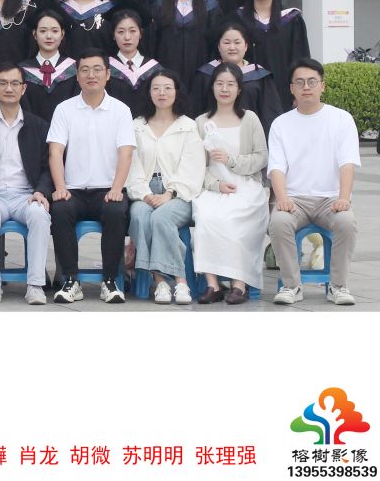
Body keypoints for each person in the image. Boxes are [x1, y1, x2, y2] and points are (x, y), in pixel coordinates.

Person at [266, 60, 360, 306]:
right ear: (291, 88)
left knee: (347, 222)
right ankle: (291, 285)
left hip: (331, 199)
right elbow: (276, 168)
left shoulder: (341, 119)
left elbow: (347, 164)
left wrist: (344, 198)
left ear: (322, 86)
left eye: (312, 82)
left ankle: (338, 286)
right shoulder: (281, 124)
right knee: (278, 222)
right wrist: (282, 199)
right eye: (300, 82)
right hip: (294, 200)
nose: (306, 87)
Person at [46, 51, 135, 303]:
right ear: (77, 75)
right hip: (73, 190)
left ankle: (110, 280)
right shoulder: (64, 109)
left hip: (107, 189)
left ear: (108, 74)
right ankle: (71, 280)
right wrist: (60, 187)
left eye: (97, 69)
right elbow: (55, 151)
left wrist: (116, 188)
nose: (91, 75)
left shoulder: (120, 110)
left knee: (116, 211)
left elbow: (126, 153)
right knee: (60, 209)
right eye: (85, 70)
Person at [0, 63, 55, 304]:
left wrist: (41, 191)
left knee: (39, 215)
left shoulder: (38, 126)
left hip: (25, 195)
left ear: (24, 88)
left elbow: (48, 167)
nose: (9, 88)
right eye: (3, 83)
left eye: (15, 83)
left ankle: (35, 285)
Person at [191, 63, 268, 305]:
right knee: (206, 218)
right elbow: (196, 166)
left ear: (239, 89)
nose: (224, 89)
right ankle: (212, 284)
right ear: (212, 87)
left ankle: (239, 284)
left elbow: (261, 157)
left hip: (246, 185)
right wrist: (216, 185)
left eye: (230, 84)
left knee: (235, 221)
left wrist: (231, 160)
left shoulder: (250, 119)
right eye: (220, 84)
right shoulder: (201, 122)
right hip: (214, 187)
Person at [125, 69, 203, 305]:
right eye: (156, 88)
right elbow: (131, 164)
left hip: (179, 195)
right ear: (148, 92)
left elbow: (192, 167)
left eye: (168, 88)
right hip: (144, 192)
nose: (162, 93)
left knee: (161, 217)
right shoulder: (137, 126)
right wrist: (145, 194)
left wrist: (170, 193)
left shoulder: (187, 126)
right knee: (139, 216)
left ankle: (180, 281)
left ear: (176, 92)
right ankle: (160, 282)